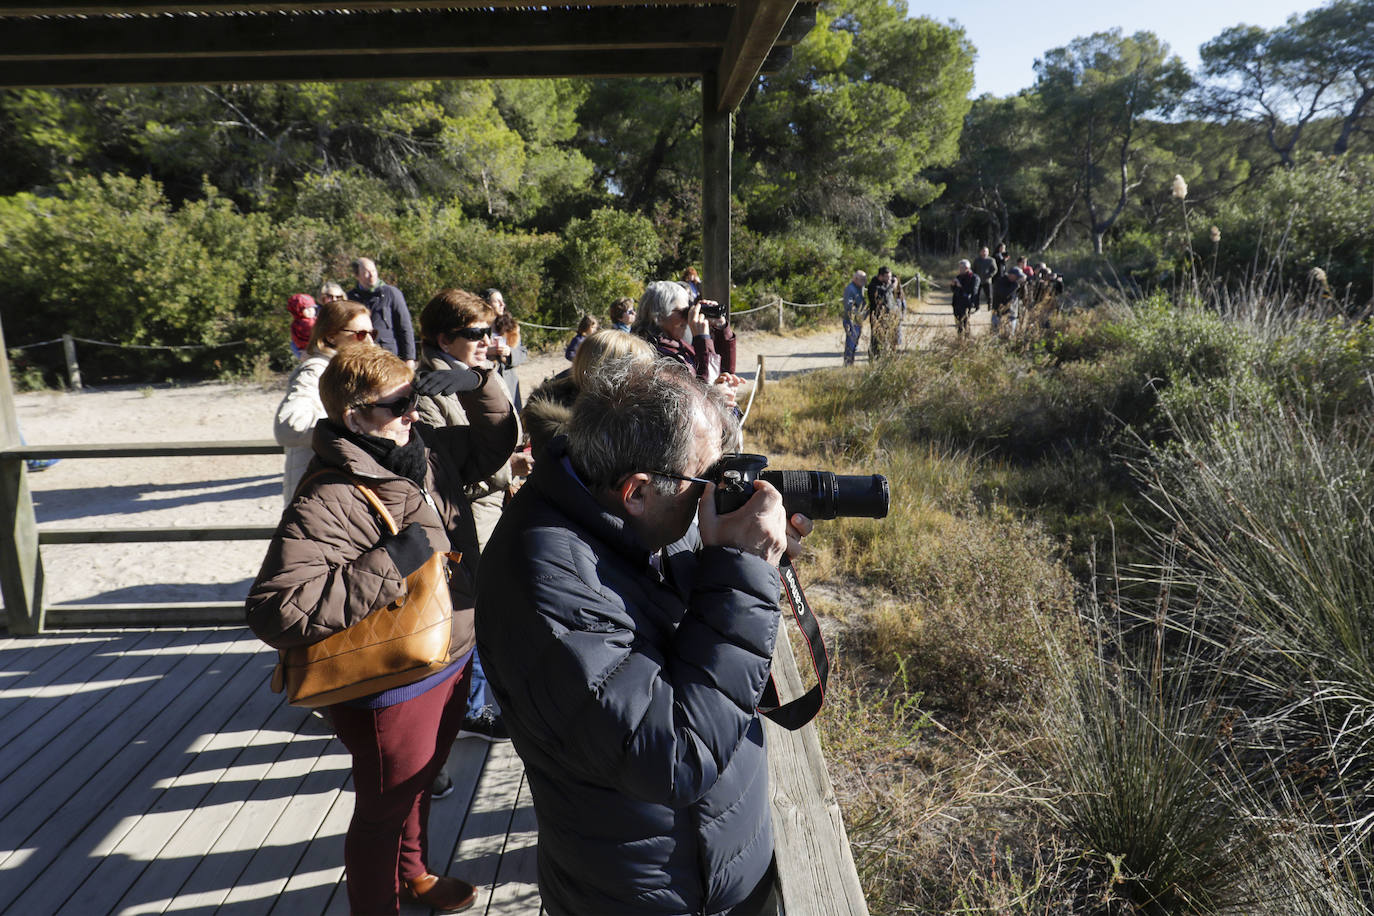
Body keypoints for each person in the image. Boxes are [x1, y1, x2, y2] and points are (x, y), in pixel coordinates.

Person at [475, 356, 813, 916]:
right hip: (643, 892)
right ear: (636, 490)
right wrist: (746, 568)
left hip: (714, 866)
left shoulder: (630, 515)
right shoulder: (543, 580)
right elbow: (674, 755)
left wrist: (741, 557)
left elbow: (686, 622)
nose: (714, 495)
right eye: (707, 480)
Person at [248, 344, 518, 916]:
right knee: (382, 812)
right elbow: (276, 609)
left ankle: (414, 874)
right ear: (354, 417)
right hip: (388, 684)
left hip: (449, 653)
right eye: (397, 405)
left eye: (413, 399)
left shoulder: (426, 453)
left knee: (418, 787)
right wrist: (389, 564)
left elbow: (497, 444)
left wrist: (477, 383)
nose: (412, 413)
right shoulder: (329, 495)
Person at [273, 298, 374, 504]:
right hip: (313, 496)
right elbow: (288, 426)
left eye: (373, 334)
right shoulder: (315, 371)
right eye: (361, 334)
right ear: (331, 336)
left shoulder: (349, 371)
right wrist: (351, 427)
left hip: (337, 494)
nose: (370, 342)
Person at [522, 329, 657, 460]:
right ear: (609, 376)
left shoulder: (633, 416)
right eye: (641, 374)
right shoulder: (573, 440)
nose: (648, 383)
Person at [632, 280, 737, 384]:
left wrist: (720, 326)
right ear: (658, 316)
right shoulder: (655, 354)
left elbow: (725, 370)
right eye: (683, 312)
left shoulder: (676, 343)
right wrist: (703, 339)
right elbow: (706, 391)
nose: (687, 319)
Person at [349, 256, 416, 368]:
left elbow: (405, 327)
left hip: (390, 356)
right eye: (366, 272)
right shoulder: (351, 298)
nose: (372, 275)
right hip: (362, 358)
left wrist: (409, 358)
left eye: (373, 270)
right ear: (357, 275)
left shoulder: (392, 293)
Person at [481, 288, 528, 412]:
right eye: (497, 301)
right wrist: (487, 352)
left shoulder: (511, 327)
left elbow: (523, 353)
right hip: (486, 383)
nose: (503, 304)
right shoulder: (476, 327)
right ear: (487, 304)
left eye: (502, 301)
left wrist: (509, 353)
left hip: (510, 384)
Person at [866, 266, 903, 358]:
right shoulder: (873, 286)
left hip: (889, 317)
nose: (889, 279)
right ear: (881, 276)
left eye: (890, 277)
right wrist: (892, 286)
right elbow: (883, 295)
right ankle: (875, 359)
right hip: (878, 318)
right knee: (877, 341)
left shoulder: (886, 283)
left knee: (890, 340)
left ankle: (889, 358)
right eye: (887, 277)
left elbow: (895, 297)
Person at [841, 269, 867, 366]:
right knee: (850, 344)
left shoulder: (860, 288)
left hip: (858, 321)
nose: (864, 281)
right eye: (862, 279)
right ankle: (848, 364)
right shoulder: (850, 289)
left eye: (865, 279)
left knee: (855, 344)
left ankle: (851, 363)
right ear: (856, 278)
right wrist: (859, 312)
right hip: (851, 320)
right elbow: (849, 306)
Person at [950, 259, 980, 337]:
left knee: (965, 321)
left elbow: (973, 290)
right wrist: (953, 285)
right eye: (959, 268)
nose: (959, 270)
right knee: (958, 322)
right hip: (957, 302)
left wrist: (961, 286)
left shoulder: (974, 277)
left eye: (961, 268)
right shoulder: (959, 276)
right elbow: (954, 290)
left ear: (967, 268)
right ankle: (960, 339)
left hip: (967, 302)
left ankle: (967, 339)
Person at [991, 266, 1024, 336]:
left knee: (1009, 335)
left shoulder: (1016, 284)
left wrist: (1023, 285)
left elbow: (1023, 296)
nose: (1018, 278)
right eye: (1017, 277)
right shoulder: (1000, 281)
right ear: (1011, 275)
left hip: (1012, 313)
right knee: (996, 334)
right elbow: (1005, 294)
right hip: (998, 313)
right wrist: (1016, 285)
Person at [287, 293, 317, 360]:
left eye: (312, 307)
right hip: (311, 351)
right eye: (306, 308)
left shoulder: (314, 319)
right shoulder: (303, 323)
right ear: (298, 310)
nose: (310, 310)